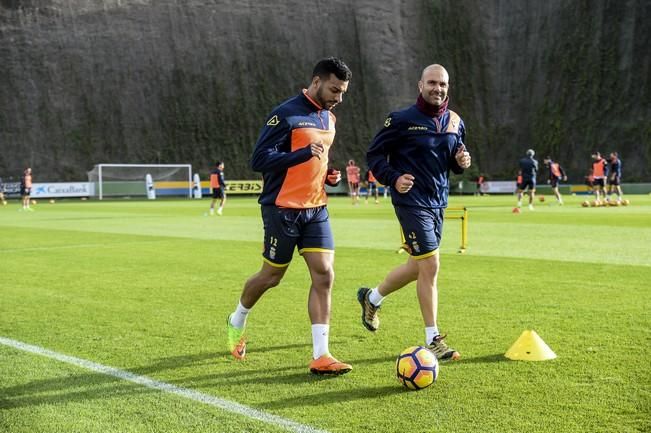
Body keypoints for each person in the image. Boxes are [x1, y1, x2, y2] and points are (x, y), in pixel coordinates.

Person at [226, 57, 352, 375]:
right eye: (335, 90)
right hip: (282, 210)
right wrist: (300, 155)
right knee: (271, 276)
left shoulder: (330, 120)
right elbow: (259, 159)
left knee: (324, 274)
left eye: (343, 92)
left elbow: (318, 160)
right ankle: (237, 318)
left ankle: (321, 354)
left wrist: (329, 175)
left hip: (316, 209)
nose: (339, 98)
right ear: (317, 81)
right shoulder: (285, 113)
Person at [358, 64, 471, 361]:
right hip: (410, 202)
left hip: (438, 202)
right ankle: (433, 337)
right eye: (432, 83)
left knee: (416, 267)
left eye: (443, 84)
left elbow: (455, 159)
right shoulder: (400, 120)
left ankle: (371, 298)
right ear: (420, 85)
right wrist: (393, 177)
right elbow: (374, 155)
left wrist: (461, 161)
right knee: (431, 264)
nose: (438, 88)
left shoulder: (456, 121)